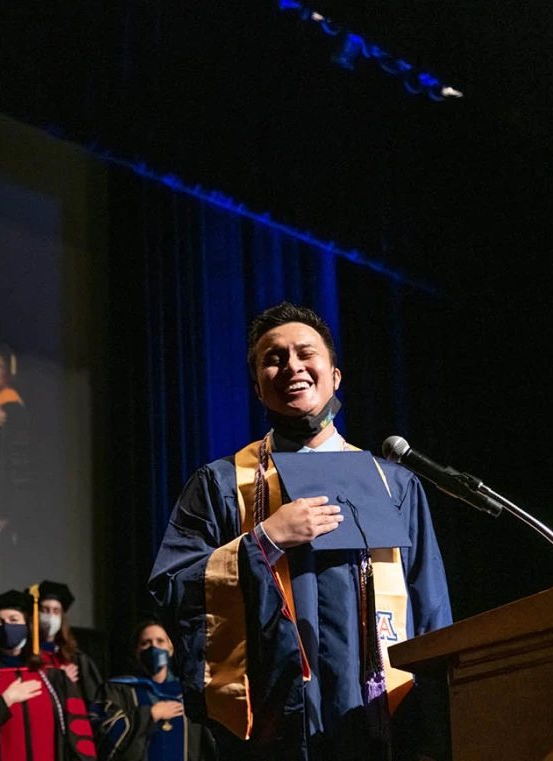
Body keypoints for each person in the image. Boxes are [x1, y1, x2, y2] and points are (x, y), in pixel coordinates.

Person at [148, 302, 452, 760]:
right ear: (257, 387)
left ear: (335, 374)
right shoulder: (222, 483)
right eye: (274, 358)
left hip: (379, 726)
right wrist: (262, 542)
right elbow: (172, 587)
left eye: (305, 353)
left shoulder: (394, 484)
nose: (291, 366)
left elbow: (431, 614)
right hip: (270, 729)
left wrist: (433, 735)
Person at [0, 589, 97, 760]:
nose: (6, 626)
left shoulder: (55, 679)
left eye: (13, 620)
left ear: (27, 626)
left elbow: (79, 735)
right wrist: (4, 701)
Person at [91, 619, 216, 761]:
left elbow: (207, 747)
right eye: (146, 643)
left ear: (171, 649)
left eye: (160, 641)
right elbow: (102, 733)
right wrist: (149, 714)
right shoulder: (118, 690)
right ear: (136, 651)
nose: (153, 647)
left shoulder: (188, 694)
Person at [0, 343, 31, 535]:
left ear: (9, 372)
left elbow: (19, 461)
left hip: (4, 495)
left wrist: (12, 511)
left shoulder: (12, 406)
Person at [35, 580, 104, 704]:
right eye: (45, 610)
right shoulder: (24, 655)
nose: (51, 616)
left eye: (56, 611)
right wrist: (58, 678)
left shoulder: (77, 659)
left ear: (62, 617)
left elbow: (92, 700)